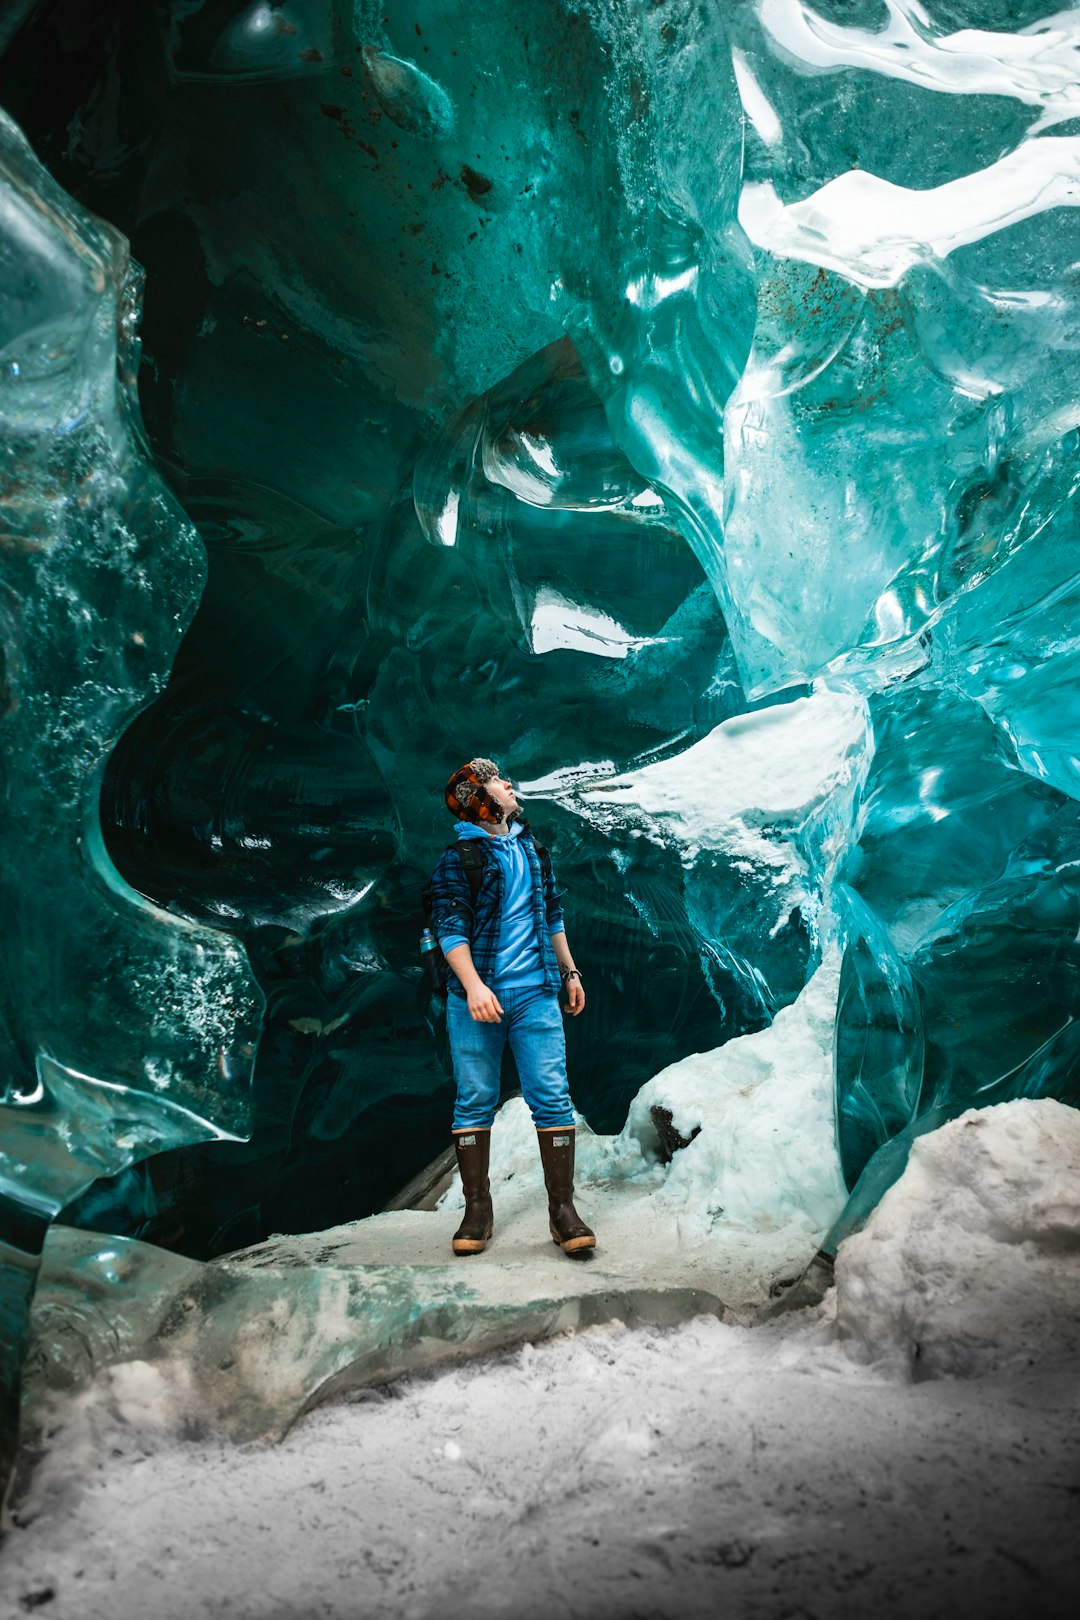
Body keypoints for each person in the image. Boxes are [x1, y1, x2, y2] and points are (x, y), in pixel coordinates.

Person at [428, 757, 596, 1259]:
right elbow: (449, 927)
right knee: (475, 1098)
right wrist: (475, 987)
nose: (507, 784)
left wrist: (568, 971)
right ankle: (477, 1209)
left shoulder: (532, 848)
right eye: (496, 781)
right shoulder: (459, 859)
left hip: (536, 995)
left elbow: (551, 912)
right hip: (475, 999)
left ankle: (561, 1211)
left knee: (551, 1095)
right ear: (481, 800)